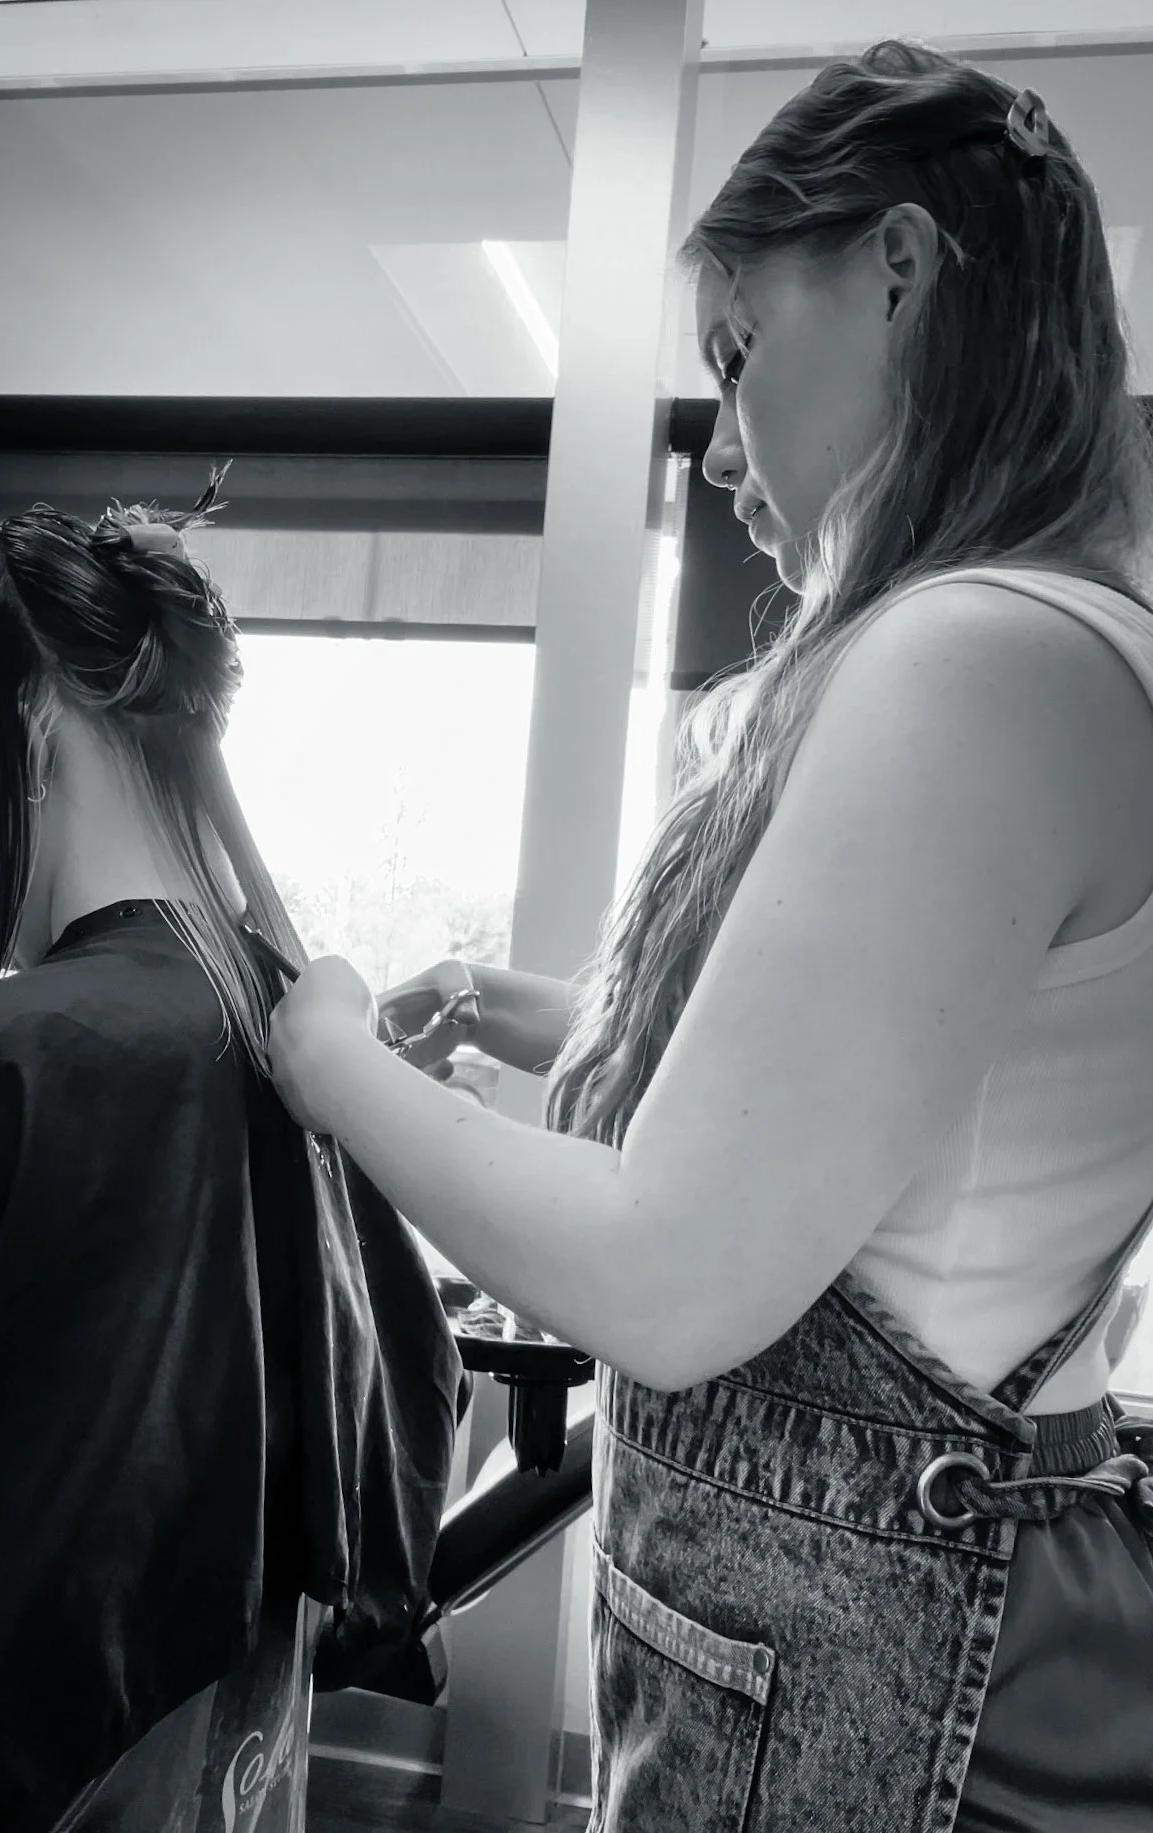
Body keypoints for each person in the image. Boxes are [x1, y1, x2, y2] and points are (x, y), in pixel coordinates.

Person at [268, 39, 1153, 1833]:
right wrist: (575, 1018)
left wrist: (329, 1057)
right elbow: (904, 1141)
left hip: (875, 1688)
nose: (726, 441)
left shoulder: (978, 652)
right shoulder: (1072, 644)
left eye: (739, 357)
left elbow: (673, 1277)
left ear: (899, 269)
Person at [0, 478, 465, 1832]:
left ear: (21, 720)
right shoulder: (298, 1025)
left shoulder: (24, 1047)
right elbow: (421, 1383)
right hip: (231, 1732)